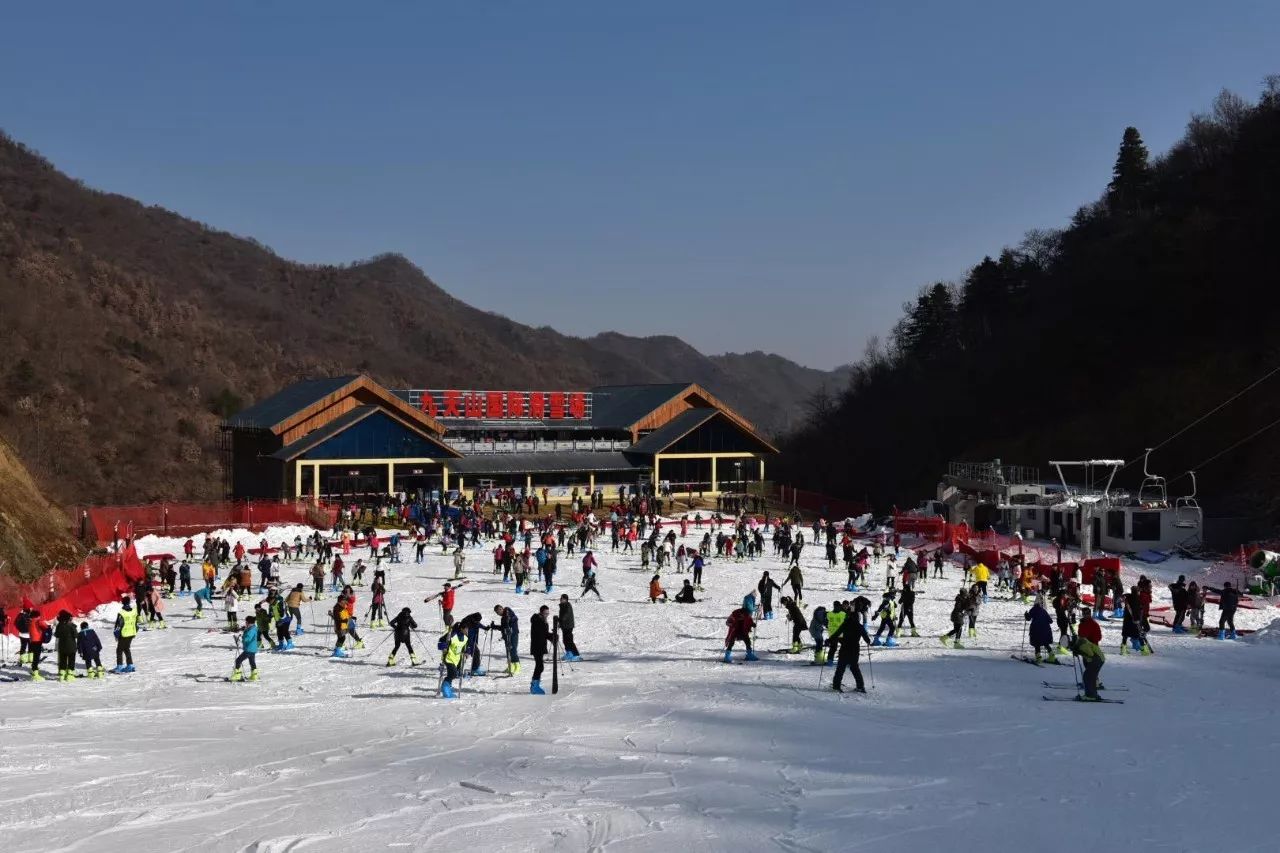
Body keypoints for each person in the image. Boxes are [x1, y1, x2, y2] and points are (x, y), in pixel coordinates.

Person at [826, 598, 871, 693]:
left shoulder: (845, 624)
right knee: (854, 668)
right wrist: (868, 641)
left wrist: (829, 640)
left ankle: (836, 686)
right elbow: (867, 639)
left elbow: (836, 634)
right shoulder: (859, 626)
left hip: (845, 648)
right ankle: (860, 686)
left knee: (840, 668)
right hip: (854, 650)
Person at [1074, 609, 1105, 700]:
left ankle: (1093, 688)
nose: (1086, 615)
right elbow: (1081, 636)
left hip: (1091, 648)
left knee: (1090, 670)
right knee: (1088, 668)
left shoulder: (1092, 624)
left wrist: (1089, 641)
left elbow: (1096, 636)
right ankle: (1093, 685)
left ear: (1090, 614)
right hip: (1086, 648)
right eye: (1084, 614)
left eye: (1087, 614)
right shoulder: (1083, 623)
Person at [1024, 595, 1057, 663]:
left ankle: (1039, 658)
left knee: (1037, 644)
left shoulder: (1033, 609)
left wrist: (1026, 615)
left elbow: (1028, 618)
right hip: (1046, 631)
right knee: (1046, 643)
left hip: (1036, 630)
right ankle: (1052, 656)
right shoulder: (1043, 610)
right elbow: (1051, 621)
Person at [440, 623, 467, 699]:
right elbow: (440, 642)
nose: (467, 630)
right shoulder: (452, 635)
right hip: (448, 658)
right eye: (466, 629)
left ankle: (448, 689)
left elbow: (465, 647)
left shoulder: (465, 638)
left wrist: (467, 652)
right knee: (453, 674)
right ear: (461, 629)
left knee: (453, 674)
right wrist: (444, 646)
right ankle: (445, 689)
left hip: (456, 659)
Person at [529, 605, 552, 695]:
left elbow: (544, 634)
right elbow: (542, 633)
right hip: (537, 646)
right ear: (541, 612)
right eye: (545, 613)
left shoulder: (541, 620)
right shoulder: (538, 620)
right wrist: (550, 636)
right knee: (539, 666)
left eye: (548, 613)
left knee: (540, 666)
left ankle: (535, 684)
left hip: (540, 646)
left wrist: (551, 636)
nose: (547, 614)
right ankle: (534, 686)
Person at [113, 595, 138, 673]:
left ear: (123, 603)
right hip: (132, 633)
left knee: (119, 650)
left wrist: (116, 635)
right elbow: (136, 622)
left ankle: (119, 666)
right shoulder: (134, 611)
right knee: (126, 648)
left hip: (124, 634)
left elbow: (118, 625)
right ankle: (130, 665)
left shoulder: (122, 613)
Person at [493, 605, 520, 675]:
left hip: (513, 634)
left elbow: (515, 618)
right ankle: (511, 666)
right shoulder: (503, 618)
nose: (497, 613)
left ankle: (517, 667)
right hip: (506, 636)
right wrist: (494, 626)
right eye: (496, 612)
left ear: (501, 609)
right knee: (508, 652)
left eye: (498, 611)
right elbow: (503, 627)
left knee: (513, 650)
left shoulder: (508, 612)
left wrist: (509, 619)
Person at [232, 615, 260, 681]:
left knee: (238, 660)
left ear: (249, 623)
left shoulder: (251, 630)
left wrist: (242, 638)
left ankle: (237, 675)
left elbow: (247, 639)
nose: (245, 623)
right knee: (252, 662)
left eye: (246, 622)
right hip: (252, 649)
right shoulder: (252, 628)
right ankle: (254, 675)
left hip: (249, 649)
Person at [27, 609, 49, 681]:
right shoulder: (38, 621)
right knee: (36, 656)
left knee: (35, 656)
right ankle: (35, 673)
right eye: (39, 615)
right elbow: (45, 626)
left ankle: (34, 668)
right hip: (37, 641)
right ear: (37, 616)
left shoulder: (30, 621)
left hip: (32, 640)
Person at [558, 595, 581, 661]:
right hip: (564, 626)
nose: (560, 599)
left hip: (568, 626)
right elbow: (562, 615)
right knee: (565, 641)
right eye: (560, 598)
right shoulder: (562, 605)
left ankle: (576, 655)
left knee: (569, 641)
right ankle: (569, 653)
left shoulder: (567, 605)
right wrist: (560, 623)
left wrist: (561, 620)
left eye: (562, 598)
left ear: (566, 599)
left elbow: (566, 614)